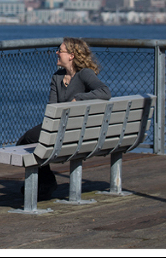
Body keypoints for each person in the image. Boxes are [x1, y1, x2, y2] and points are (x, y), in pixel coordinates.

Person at [16, 37, 111, 200]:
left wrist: (79, 98)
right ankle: (45, 181)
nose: (57, 53)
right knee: (24, 141)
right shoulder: (57, 77)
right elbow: (52, 106)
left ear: (71, 55)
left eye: (60, 50)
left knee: (28, 140)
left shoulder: (84, 74)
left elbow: (105, 92)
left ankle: (45, 181)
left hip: (76, 131)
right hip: (59, 126)